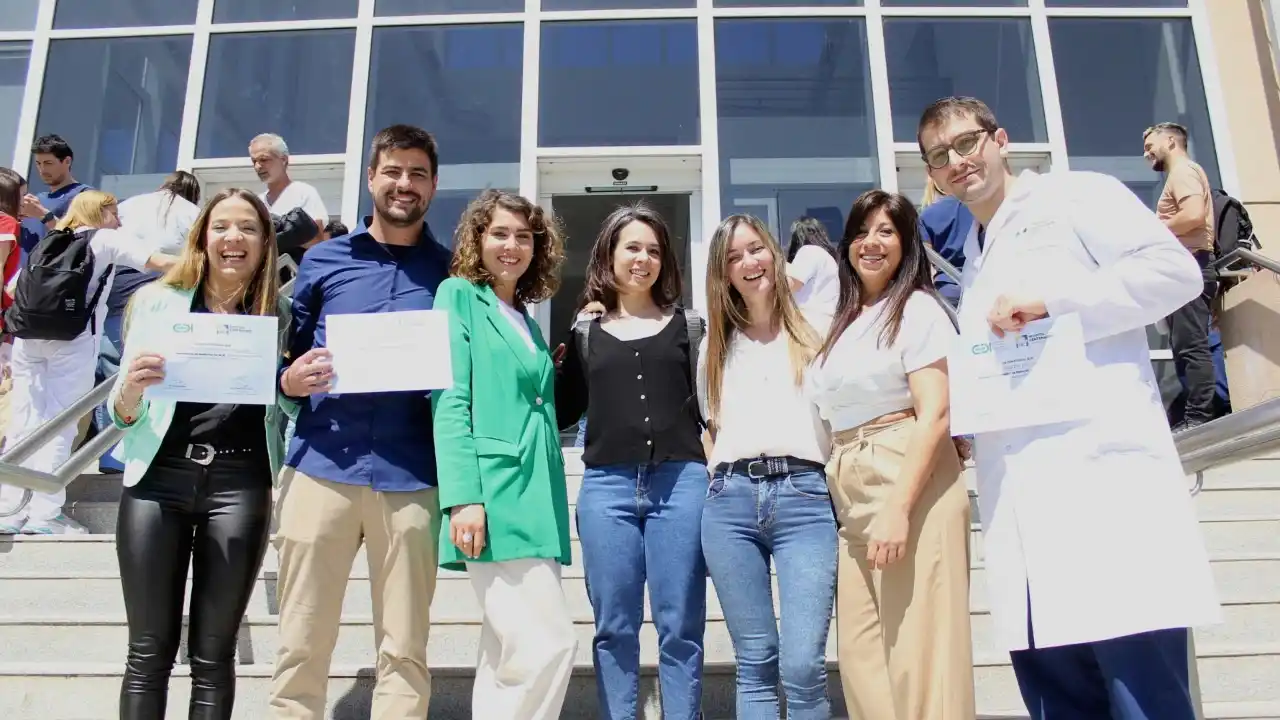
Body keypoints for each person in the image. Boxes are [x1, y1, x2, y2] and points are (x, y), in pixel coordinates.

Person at [918, 95, 1221, 719]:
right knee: (1062, 703)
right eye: (940, 156)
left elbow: (1175, 273)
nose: (958, 162)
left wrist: (1054, 301)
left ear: (1000, 140)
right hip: (1024, 515)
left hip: (1102, 498)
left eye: (967, 143)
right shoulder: (971, 256)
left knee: (1143, 700)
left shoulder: (1076, 196)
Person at [268, 125, 450, 719]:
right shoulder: (323, 260)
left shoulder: (454, 273)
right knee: (300, 640)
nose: (404, 183)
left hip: (413, 474)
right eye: (392, 171)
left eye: (417, 173)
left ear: (434, 185)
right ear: (371, 178)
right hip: (322, 465)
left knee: (405, 647)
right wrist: (288, 381)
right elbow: (288, 356)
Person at [107, 188, 291, 719]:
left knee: (214, 655)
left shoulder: (280, 313)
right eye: (222, 227)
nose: (234, 238)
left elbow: (289, 408)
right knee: (148, 652)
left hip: (240, 481)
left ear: (264, 243)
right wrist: (132, 388)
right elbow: (121, 415)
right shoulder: (156, 301)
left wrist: (292, 387)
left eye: (248, 228)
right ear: (202, 238)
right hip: (158, 479)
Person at [807, 190, 974, 719]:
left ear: (907, 244)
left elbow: (937, 412)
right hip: (850, 480)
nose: (871, 243)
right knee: (864, 661)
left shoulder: (919, 309)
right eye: (861, 232)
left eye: (886, 231)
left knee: (921, 659)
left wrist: (899, 507)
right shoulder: (844, 319)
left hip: (907, 474)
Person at [555, 203, 708, 719]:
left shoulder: (690, 326)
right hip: (607, 488)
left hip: (680, 484)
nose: (643, 259)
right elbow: (563, 410)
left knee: (680, 625)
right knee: (614, 627)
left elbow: (711, 405)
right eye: (632, 248)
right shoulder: (586, 331)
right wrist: (568, 344)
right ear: (609, 255)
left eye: (653, 250)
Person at [433, 189, 576, 719]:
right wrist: (463, 497)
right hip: (495, 496)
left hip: (538, 498)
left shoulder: (524, 318)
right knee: (549, 645)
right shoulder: (457, 295)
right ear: (478, 239)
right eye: (499, 234)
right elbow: (450, 398)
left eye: (523, 236)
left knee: (505, 658)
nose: (512, 246)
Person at [697, 214, 836, 719]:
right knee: (755, 661)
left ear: (775, 253)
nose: (748, 262)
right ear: (724, 273)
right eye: (734, 257)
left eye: (756, 248)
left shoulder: (817, 327)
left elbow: (839, 416)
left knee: (802, 665)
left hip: (804, 497)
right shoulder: (717, 343)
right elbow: (710, 422)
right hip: (731, 502)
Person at [0, 190, 173, 534]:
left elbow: (13, 288)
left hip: (28, 340)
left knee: (24, 422)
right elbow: (158, 262)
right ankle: (45, 514)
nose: (119, 220)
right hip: (74, 341)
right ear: (101, 212)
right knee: (60, 422)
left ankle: (9, 510)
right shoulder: (104, 239)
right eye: (115, 212)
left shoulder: (50, 241)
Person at [96, 171, 203, 472]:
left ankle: (109, 456)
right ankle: (143, 450)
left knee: (114, 374)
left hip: (116, 291)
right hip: (160, 293)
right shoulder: (190, 211)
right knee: (154, 372)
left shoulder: (130, 205)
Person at [1143, 122, 1218, 430]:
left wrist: (1151, 229)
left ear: (1171, 142)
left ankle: (1200, 417)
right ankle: (1194, 415)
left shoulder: (1183, 172)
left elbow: (1194, 215)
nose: (1146, 153)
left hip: (1191, 264)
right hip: (1186, 267)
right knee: (1185, 345)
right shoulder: (1180, 174)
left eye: (1150, 145)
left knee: (1191, 346)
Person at [251, 133, 329, 263]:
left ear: (283, 160)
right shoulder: (256, 203)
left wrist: (284, 233)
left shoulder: (303, 192)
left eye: (264, 160)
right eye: (254, 161)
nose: (257, 166)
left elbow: (317, 240)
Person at [19, 134, 89, 254]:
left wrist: (44, 215)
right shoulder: (37, 199)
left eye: (48, 163)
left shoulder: (85, 195)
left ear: (67, 161)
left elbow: (81, 241)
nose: (42, 170)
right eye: (38, 163)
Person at [917, 179, 972, 308]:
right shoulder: (977, 208)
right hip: (979, 283)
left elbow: (924, 263)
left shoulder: (927, 214)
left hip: (947, 289)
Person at [785, 216, 840, 321]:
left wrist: (775, 260)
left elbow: (791, 283)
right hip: (826, 320)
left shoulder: (808, 251)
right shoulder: (827, 258)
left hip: (811, 321)